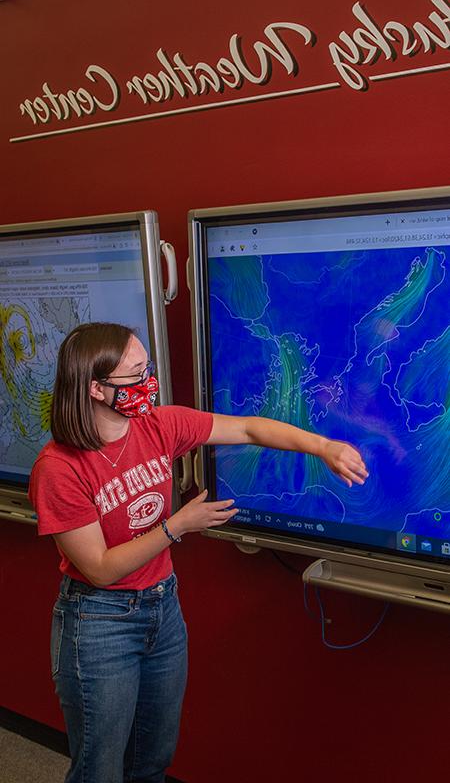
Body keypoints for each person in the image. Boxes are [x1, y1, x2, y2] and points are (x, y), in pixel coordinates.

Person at [29, 322, 368, 783]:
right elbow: (100, 569)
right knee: (99, 769)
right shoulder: (57, 469)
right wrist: (177, 526)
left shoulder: (157, 425)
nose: (149, 381)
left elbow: (248, 428)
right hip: (98, 622)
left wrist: (323, 446)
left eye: (148, 367)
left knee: (152, 758)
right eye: (136, 373)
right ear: (96, 388)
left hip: (161, 609)